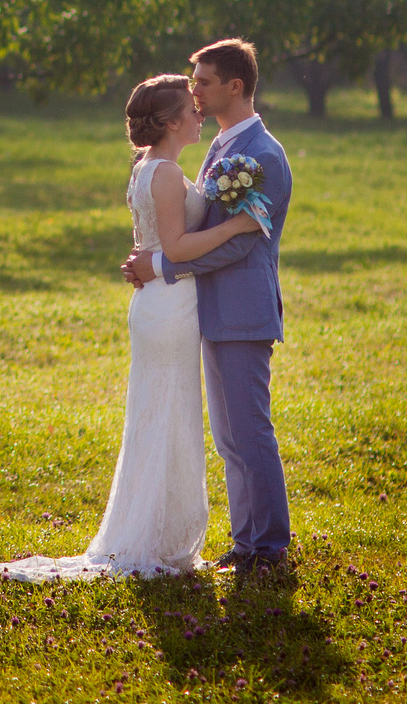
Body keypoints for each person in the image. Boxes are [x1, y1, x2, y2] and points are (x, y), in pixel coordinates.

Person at [0, 70, 264, 581]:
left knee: (165, 413)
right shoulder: (162, 172)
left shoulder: (149, 167)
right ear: (171, 122)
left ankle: (159, 533)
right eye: (191, 109)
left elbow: (155, 243)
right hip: (169, 305)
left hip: (161, 302)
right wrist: (237, 225)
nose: (199, 114)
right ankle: (152, 538)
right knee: (166, 414)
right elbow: (177, 248)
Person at [124, 38, 294, 575]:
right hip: (210, 309)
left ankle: (269, 548)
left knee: (250, 432)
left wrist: (163, 266)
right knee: (229, 438)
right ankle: (246, 544)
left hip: (242, 310)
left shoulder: (263, 155)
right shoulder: (222, 145)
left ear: (234, 86)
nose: (194, 90)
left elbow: (241, 244)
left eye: (203, 81)